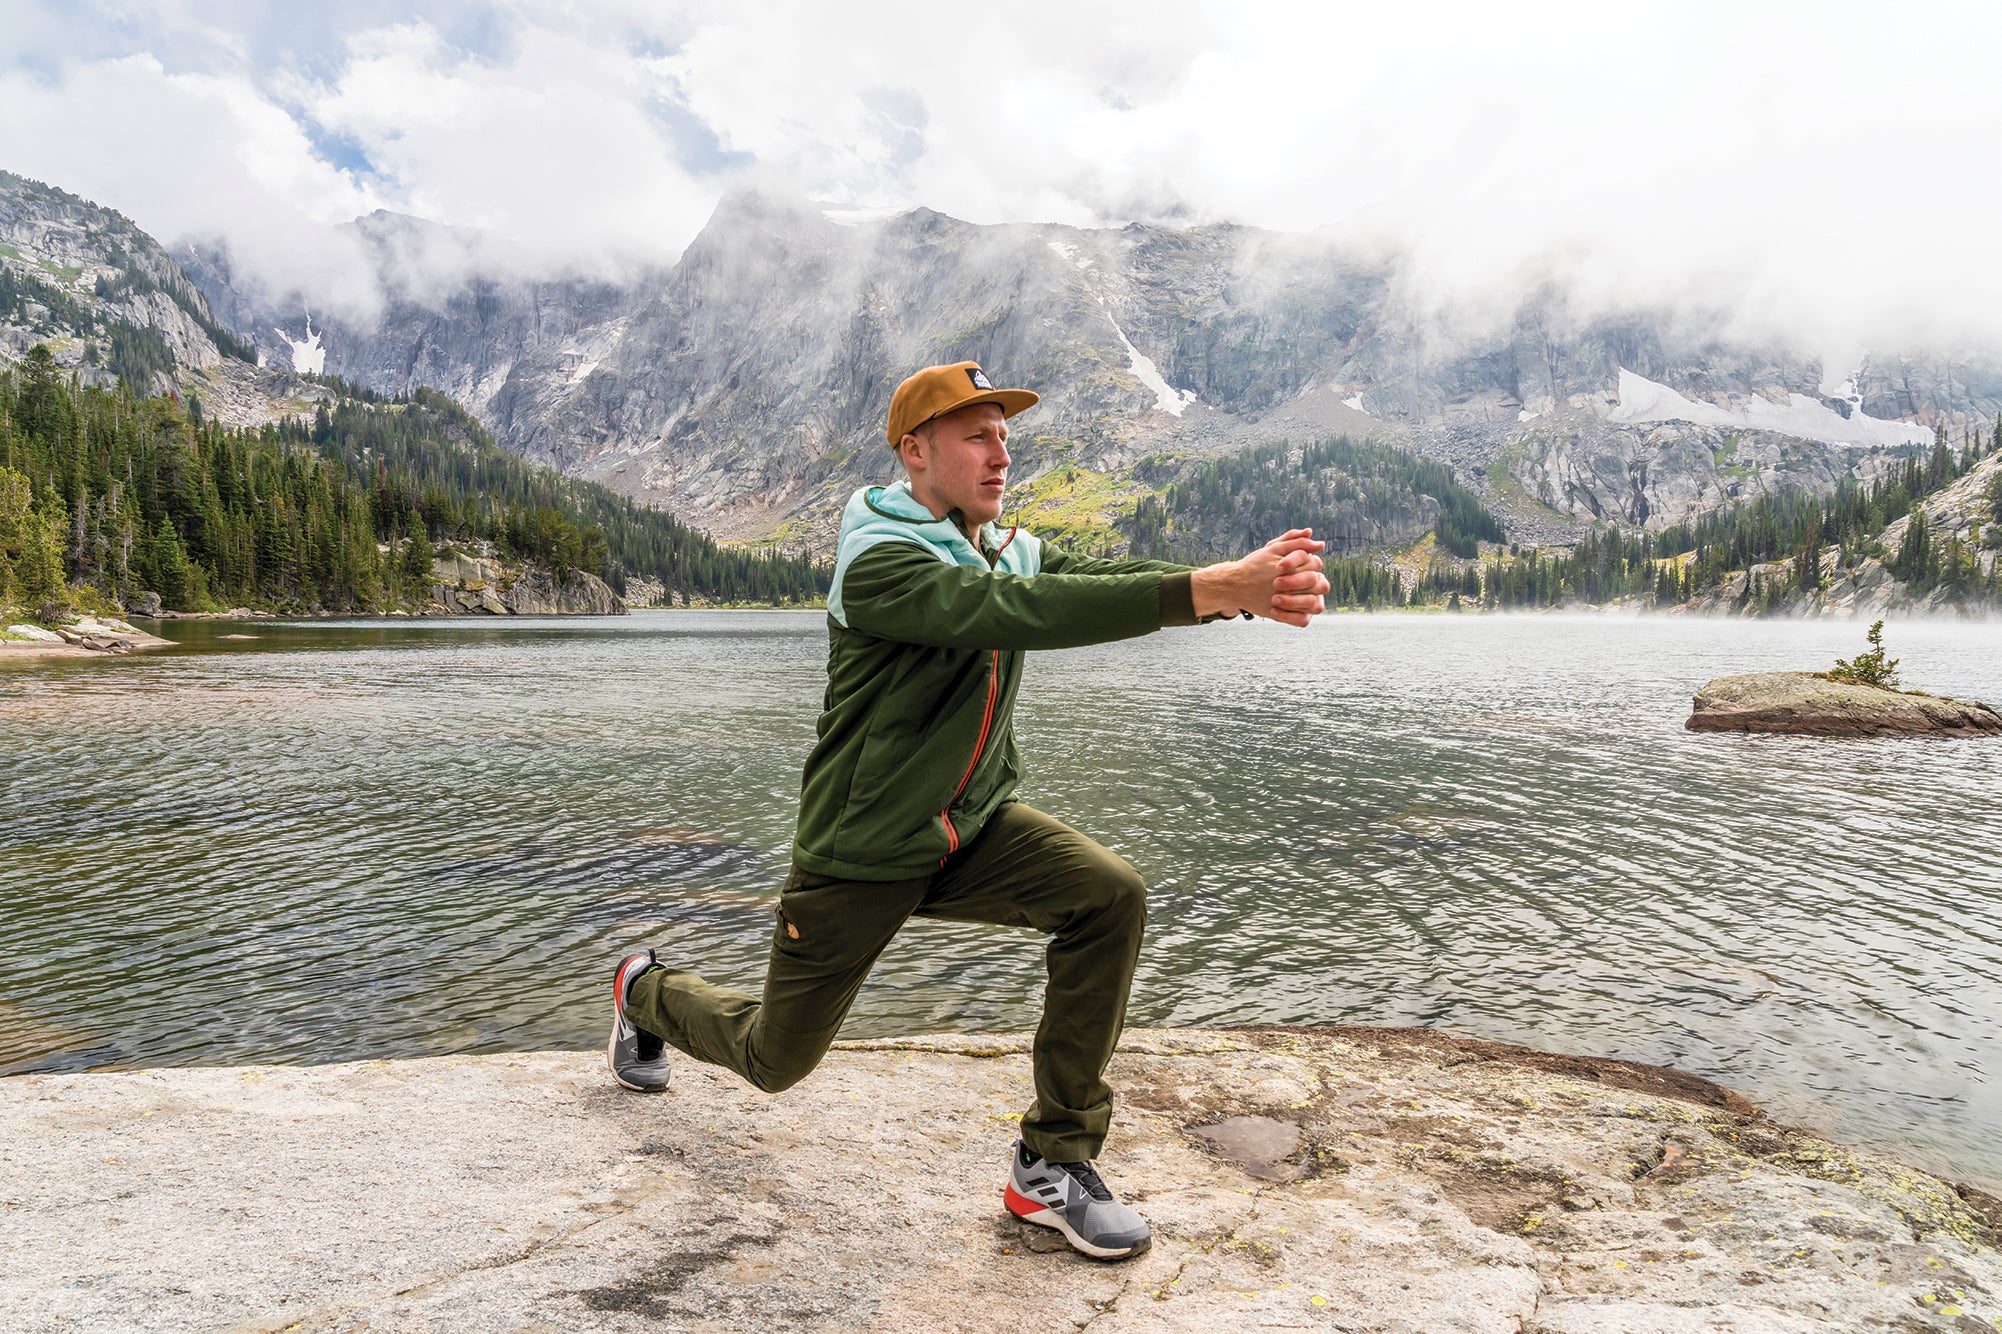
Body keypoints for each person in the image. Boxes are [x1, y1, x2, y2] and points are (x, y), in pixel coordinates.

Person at [608, 361, 1329, 1259]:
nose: (1002, 454)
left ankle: (1052, 1165)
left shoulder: (997, 543)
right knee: (774, 1061)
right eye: (978, 436)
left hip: (971, 828)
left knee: (1108, 897)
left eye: (1005, 436)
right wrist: (1216, 588)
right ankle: (644, 990)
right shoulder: (879, 562)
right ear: (916, 452)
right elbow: (1016, 609)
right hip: (864, 849)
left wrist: (1231, 589)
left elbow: (1084, 576)